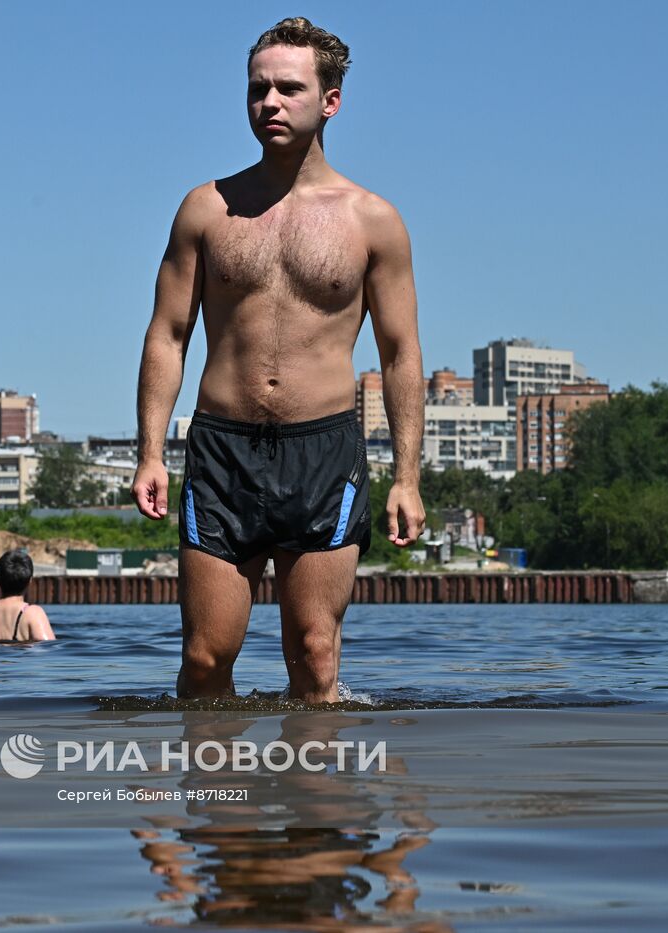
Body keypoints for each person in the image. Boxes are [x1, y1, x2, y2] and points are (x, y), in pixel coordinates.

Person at [131, 18, 425, 702]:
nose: (269, 102)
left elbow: (401, 353)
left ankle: (313, 809)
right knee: (206, 659)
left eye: (288, 88)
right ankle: (221, 807)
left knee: (315, 655)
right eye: (257, 88)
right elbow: (167, 335)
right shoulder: (206, 210)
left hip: (324, 451)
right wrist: (149, 451)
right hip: (224, 451)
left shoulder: (372, 219)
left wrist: (407, 476)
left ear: (331, 101)